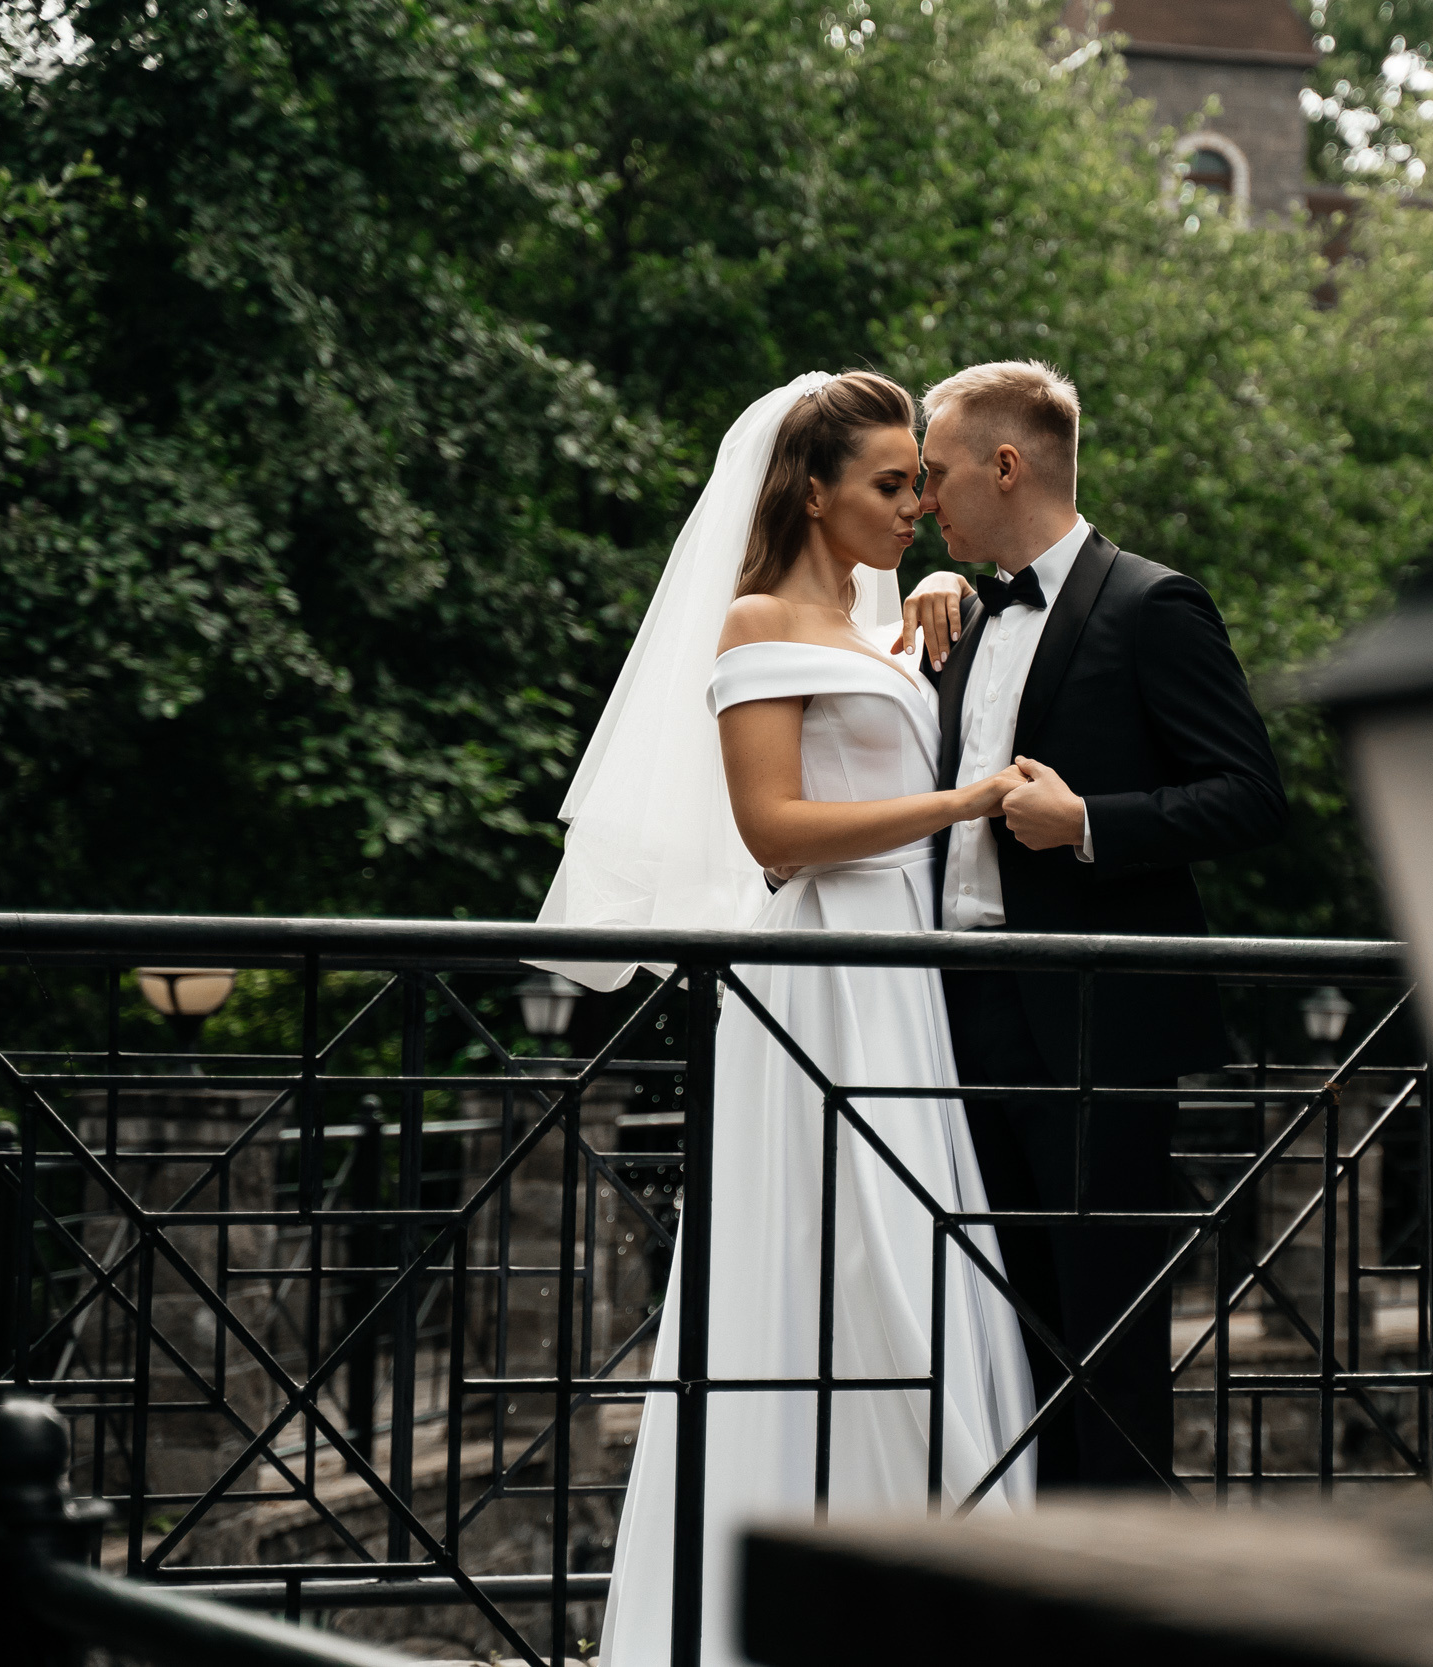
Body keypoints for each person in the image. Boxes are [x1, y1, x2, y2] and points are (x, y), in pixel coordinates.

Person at [535, 371, 1036, 1667]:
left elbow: (887, 687)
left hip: (897, 973)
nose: (917, 507)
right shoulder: (755, 622)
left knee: (909, 1255)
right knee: (831, 1245)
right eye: (888, 485)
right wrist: (964, 802)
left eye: (920, 483)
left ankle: (914, 1580)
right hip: (816, 969)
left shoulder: (877, 620)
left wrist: (933, 612)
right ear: (811, 492)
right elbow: (774, 832)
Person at [893, 360, 1287, 1489]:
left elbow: (1250, 794)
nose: (923, 501)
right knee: (993, 1312)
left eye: (935, 475)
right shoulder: (960, 614)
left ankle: (1106, 1596)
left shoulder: (1152, 603)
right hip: (948, 1010)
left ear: (1004, 465)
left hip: (1091, 1024)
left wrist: (1086, 823)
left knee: (1104, 1328)